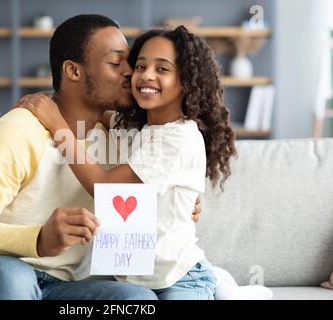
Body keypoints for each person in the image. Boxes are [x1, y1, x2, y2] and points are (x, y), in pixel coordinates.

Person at [0, 14, 201, 300]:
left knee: (136, 299)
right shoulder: (21, 128)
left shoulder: (120, 139)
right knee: (13, 278)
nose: (132, 73)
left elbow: (150, 179)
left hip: (59, 286)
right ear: (73, 71)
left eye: (131, 63)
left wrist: (177, 203)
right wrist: (38, 239)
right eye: (117, 63)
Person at [17, 25, 238, 300]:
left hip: (180, 280)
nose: (146, 75)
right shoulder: (140, 130)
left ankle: (223, 286)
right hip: (132, 282)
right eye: (141, 66)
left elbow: (105, 187)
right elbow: (101, 114)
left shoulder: (178, 137)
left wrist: (56, 124)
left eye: (162, 69)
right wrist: (51, 106)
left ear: (186, 81)